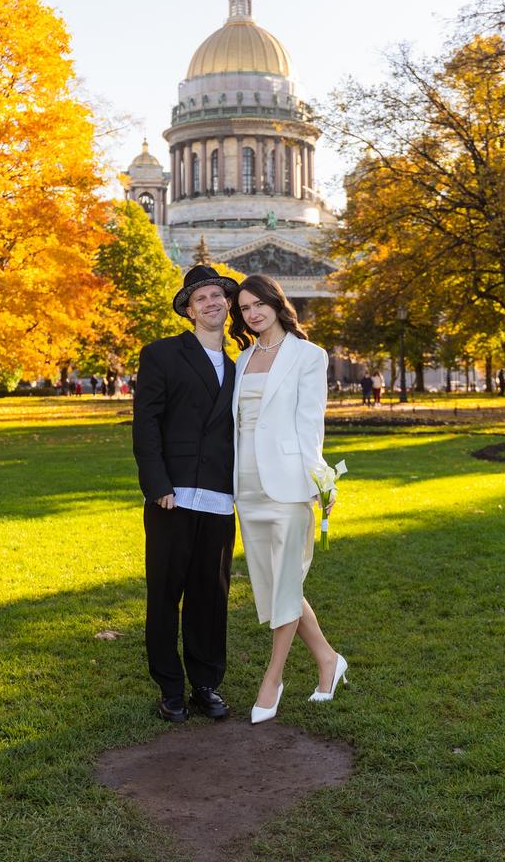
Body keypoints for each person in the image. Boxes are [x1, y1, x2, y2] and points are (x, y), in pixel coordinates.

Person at [230, 274, 346, 724]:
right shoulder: (242, 359)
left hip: (288, 485)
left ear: (277, 304)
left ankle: (272, 678)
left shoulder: (308, 356)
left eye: (259, 304)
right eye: (245, 308)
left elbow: (310, 425)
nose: (253, 313)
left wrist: (320, 482)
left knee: (286, 584)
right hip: (246, 486)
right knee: (272, 584)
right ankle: (329, 660)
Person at [131, 265, 240, 723]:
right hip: (172, 497)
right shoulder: (162, 354)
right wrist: (157, 485)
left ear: (228, 304)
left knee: (210, 597)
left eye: (217, 296)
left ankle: (206, 684)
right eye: (201, 298)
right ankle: (170, 689)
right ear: (189, 310)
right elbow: (146, 423)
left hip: (219, 497)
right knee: (165, 595)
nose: (211, 303)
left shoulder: (240, 366)